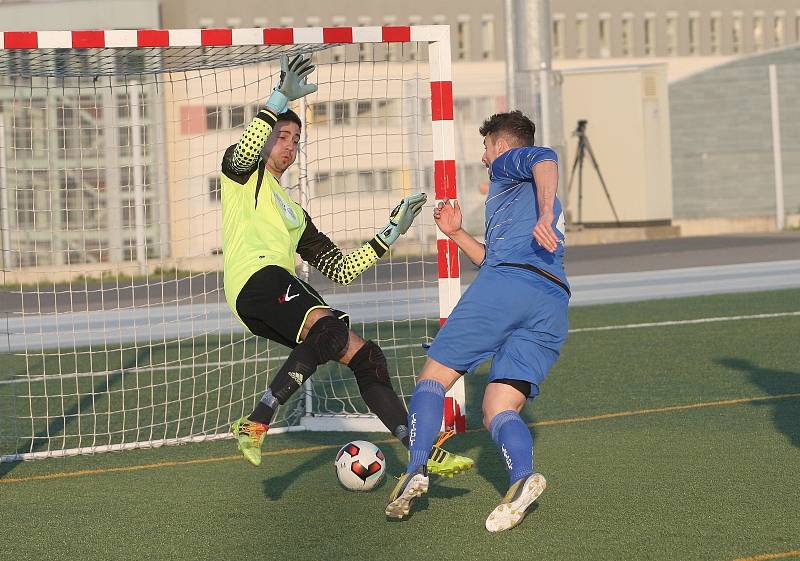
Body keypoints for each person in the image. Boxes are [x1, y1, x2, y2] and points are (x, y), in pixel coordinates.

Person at [220, 53, 474, 479]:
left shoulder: (295, 213)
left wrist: (391, 233)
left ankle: (419, 449)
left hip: (269, 293)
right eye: (282, 136)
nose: (289, 146)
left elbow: (340, 268)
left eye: (296, 141)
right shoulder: (244, 175)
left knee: (365, 356)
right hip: (256, 280)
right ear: (265, 138)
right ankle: (259, 417)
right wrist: (280, 96)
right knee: (330, 328)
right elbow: (247, 147)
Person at [385, 110, 569, 532]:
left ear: (502, 147)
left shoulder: (511, 165)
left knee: (432, 379)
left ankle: (414, 468)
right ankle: (522, 477)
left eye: (486, 148)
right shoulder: (520, 199)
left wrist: (543, 214)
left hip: (508, 286)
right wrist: (456, 234)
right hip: (551, 301)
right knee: (497, 408)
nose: (485, 159)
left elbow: (545, 157)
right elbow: (491, 258)